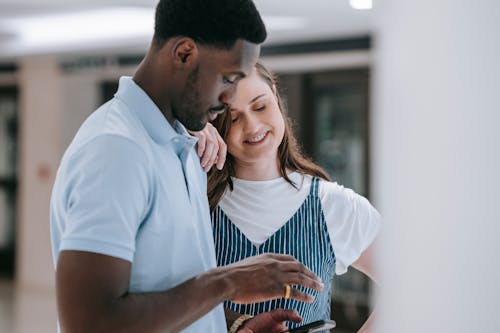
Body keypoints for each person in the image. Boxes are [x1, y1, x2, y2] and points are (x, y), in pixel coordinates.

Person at [49, 1, 325, 332]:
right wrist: (229, 282)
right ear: (183, 54)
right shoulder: (116, 150)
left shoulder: (185, 146)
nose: (229, 99)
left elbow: (170, 291)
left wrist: (236, 326)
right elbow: (90, 323)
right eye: (228, 79)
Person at [196, 62, 381, 333]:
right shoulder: (197, 205)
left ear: (275, 94)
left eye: (260, 107)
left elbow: (410, 281)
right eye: (233, 118)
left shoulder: (333, 205)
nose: (252, 126)